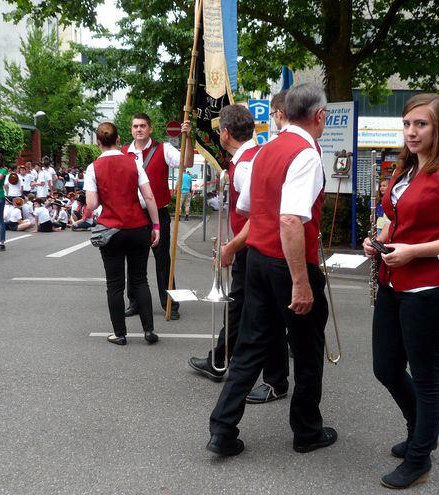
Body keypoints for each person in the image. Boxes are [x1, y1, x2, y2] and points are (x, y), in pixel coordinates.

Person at [362, 93, 439, 489]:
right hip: (393, 282)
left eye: (421, 124)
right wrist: (379, 241)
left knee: (427, 376)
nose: (412, 132)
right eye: (407, 124)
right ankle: (421, 432)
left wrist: (415, 251)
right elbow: (394, 218)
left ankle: (419, 457)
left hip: (433, 289)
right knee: (385, 368)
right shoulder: (406, 167)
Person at [207, 83, 335, 457]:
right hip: (287, 262)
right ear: (319, 116)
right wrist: (301, 282)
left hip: (259, 260)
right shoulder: (306, 153)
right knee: (308, 350)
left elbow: (247, 206)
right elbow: (291, 219)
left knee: (250, 346)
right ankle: (306, 431)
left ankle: (222, 429)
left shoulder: (264, 151)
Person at [188, 105, 290, 404]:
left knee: (263, 315)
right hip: (255, 246)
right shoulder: (252, 156)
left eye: (219, 131)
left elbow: (260, 215)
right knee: (242, 308)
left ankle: (274, 380)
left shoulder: (245, 166)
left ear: (226, 133)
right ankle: (220, 358)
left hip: (255, 248)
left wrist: (231, 246)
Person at [85, 122, 161, 345]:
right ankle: (149, 331)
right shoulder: (134, 163)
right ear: (118, 140)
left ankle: (120, 334)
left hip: (111, 231)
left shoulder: (93, 168)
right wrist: (156, 226)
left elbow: (92, 204)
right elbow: (149, 197)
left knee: (115, 285)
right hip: (137, 227)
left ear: (98, 142)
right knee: (140, 280)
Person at [122, 112, 194, 320]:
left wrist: (188, 138)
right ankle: (135, 302)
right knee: (134, 260)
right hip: (133, 214)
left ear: (150, 129)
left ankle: (170, 303)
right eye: (135, 126)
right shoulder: (123, 152)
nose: (139, 129)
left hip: (158, 213)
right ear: (131, 129)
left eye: (142, 126)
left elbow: (187, 162)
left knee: (163, 260)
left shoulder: (164, 148)